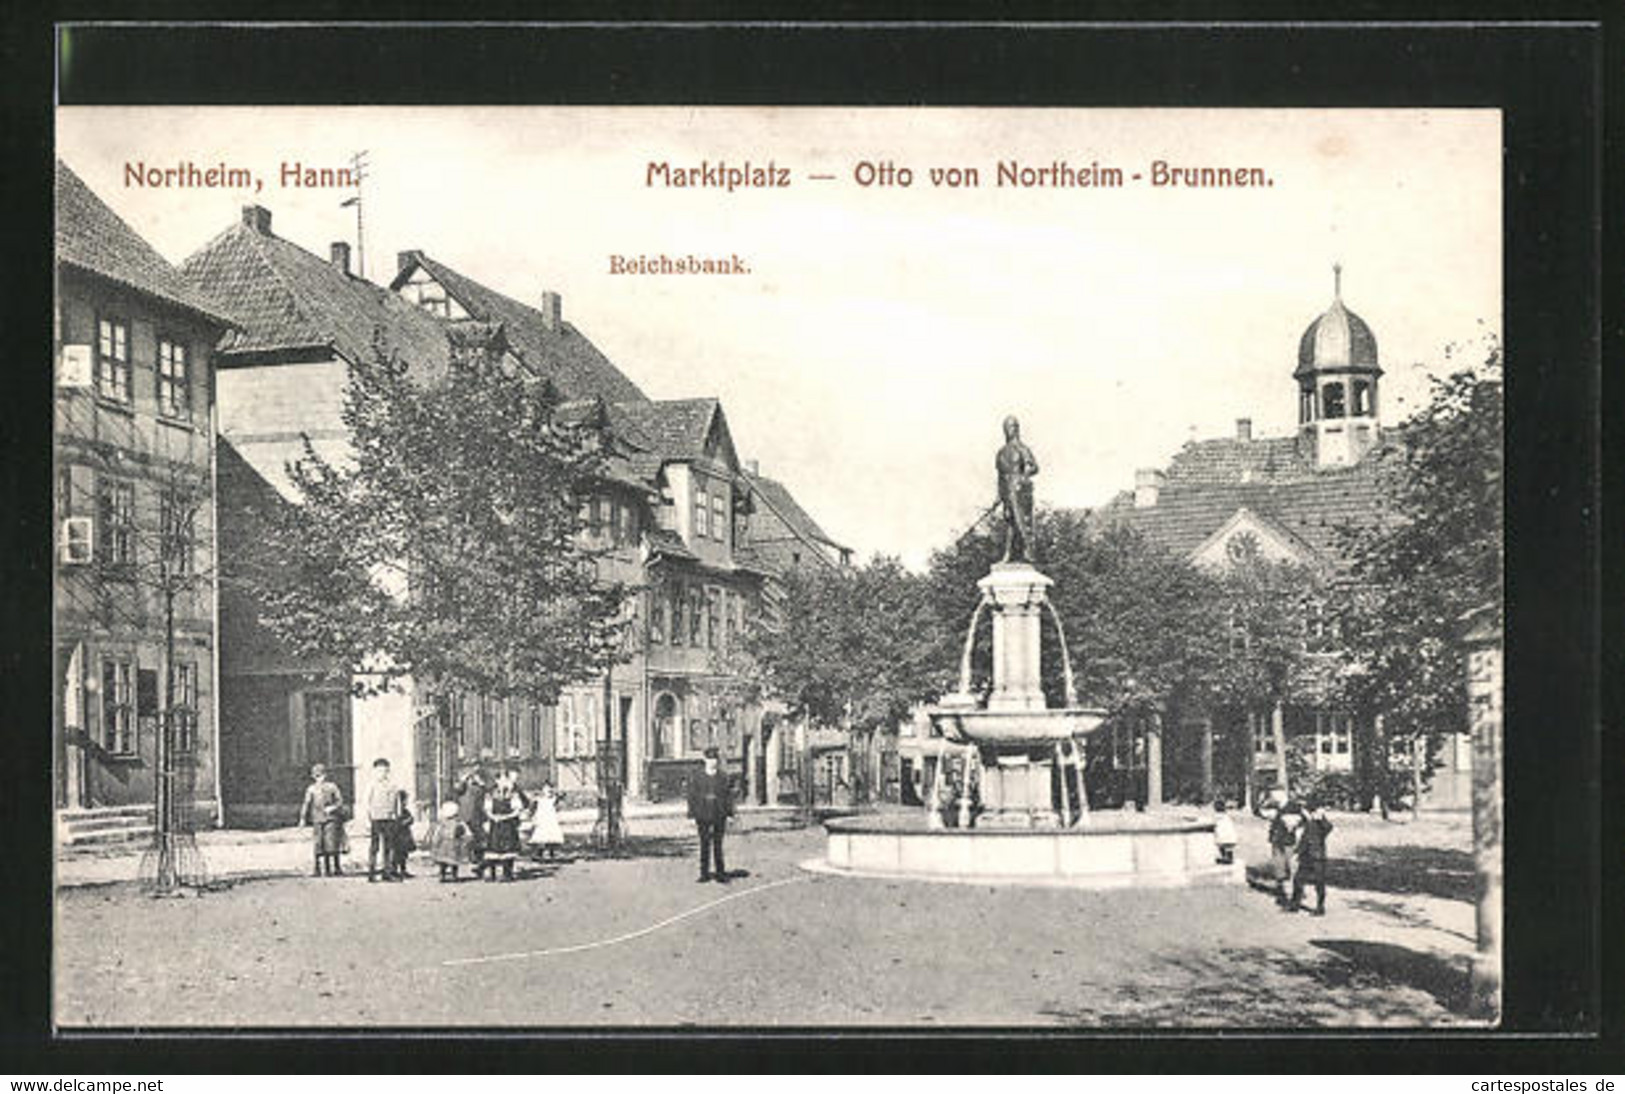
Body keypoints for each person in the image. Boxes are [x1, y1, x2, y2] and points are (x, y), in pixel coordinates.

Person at [996, 415, 1040, 564]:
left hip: (1020, 491)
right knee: (1010, 523)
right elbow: (1000, 476)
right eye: (1008, 427)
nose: (1011, 430)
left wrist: (1024, 475)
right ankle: (1008, 554)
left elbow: (1034, 467)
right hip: (1007, 490)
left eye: (1013, 426)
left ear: (1017, 429)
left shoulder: (1022, 449)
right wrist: (999, 496)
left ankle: (1028, 553)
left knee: (1023, 523)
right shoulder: (1001, 453)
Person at [687, 747, 735, 883]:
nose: (712, 762)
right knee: (704, 844)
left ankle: (720, 873)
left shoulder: (723, 777)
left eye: (714, 759)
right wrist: (691, 816)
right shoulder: (697, 777)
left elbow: (728, 797)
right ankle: (704, 873)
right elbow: (692, 797)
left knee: (718, 844)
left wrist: (730, 814)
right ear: (705, 760)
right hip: (702, 814)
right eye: (709, 759)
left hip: (719, 813)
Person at [298, 763, 347, 877]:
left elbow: (340, 801)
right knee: (318, 844)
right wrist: (302, 818)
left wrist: (333, 808)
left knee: (332, 843)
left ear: (326, 775)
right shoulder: (311, 789)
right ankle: (317, 869)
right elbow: (306, 803)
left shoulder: (332, 787)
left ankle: (336, 867)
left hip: (331, 819)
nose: (319, 778)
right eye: (316, 776)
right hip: (317, 819)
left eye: (321, 775)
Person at [1291, 800, 1335, 915]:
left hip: (1317, 857)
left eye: (1304, 810)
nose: (1302, 812)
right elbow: (1304, 839)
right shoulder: (1307, 822)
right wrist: (1297, 851)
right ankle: (1295, 905)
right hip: (1305, 856)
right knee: (1298, 880)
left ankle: (1320, 908)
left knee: (1319, 883)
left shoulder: (1320, 821)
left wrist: (1321, 818)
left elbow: (1328, 828)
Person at [483, 768, 527, 882]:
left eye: (505, 779)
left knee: (509, 849)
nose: (503, 782)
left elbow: (518, 809)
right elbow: (487, 808)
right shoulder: (490, 793)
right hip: (496, 823)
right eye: (500, 779)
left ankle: (507, 873)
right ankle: (492, 874)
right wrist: (493, 817)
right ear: (496, 780)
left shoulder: (513, 793)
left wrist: (507, 817)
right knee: (493, 848)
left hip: (508, 823)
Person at [364, 758, 403, 882]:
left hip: (389, 819)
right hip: (376, 818)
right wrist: (366, 819)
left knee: (389, 846)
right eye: (380, 771)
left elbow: (397, 802)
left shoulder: (393, 785)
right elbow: (366, 803)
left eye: (385, 771)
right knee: (374, 847)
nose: (383, 774)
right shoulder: (371, 785)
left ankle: (387, 872)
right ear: (374, 771)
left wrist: (397, 815)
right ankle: (371, 872)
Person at [1266, 796, 1304, 907]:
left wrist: (1295, 824)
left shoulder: (1294, 806)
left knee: (1291, 866)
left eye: (1274, 793)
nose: (1272, 795)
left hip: (1289, 842)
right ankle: (1282, 894)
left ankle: (1293, 896)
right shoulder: (1274, 806)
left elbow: (1304, 820)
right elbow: (1258, 812)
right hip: (1277, 841)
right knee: (1279, 867)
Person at [455, 765, 490, 879]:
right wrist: (464, 779)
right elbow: (457, 789)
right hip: (467, 817)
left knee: (481, 840)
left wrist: (480, 781)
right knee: (475, 839)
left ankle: (479, 863)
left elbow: (485, 792)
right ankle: (476, 862)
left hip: (477, 817)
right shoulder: (464, 786)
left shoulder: (480, 787)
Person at [427, 800, 474, 882]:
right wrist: (468, 836)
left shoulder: (444, 823)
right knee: (453, 861)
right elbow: (466, 830)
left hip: (444, 844)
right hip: (453, 845)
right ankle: (453, 875)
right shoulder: (457, 822)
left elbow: (437, 832)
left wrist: (435, 840)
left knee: (444, 862)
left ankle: (443, 874)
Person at [527, 781, 565, 862]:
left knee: (551, 835)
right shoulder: (539, 799)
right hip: (542, 819)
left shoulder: (553, 799)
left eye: (549, 789)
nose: (548, 791)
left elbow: (562, 796)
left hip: (550, 819)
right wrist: (533, 816)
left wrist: (557, 794)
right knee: (541, 836)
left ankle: (552, 852)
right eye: (546, 789)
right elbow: (532, 807)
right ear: (542, 790)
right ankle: (539, 852)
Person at [390, 787, 416, 879]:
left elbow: (411, 819)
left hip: (404, 837)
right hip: (398, 836)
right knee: (396, 854)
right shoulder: (395, 811)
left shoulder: (405, 811)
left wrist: (409, 820)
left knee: (404, 854)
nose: (406, 802)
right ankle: (394, 870)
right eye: (405, 800)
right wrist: (405, 822)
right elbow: (397, 823)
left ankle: (403, 870)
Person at [1212, 799, 1238, 865]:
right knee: (1228, 848)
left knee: (1221, 845)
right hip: (1231, 838)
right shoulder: (1228, 816)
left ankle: (1225, 857)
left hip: (1222, 839)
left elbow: (1213, 824)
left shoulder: (1216, 817)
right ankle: (1228, 858)